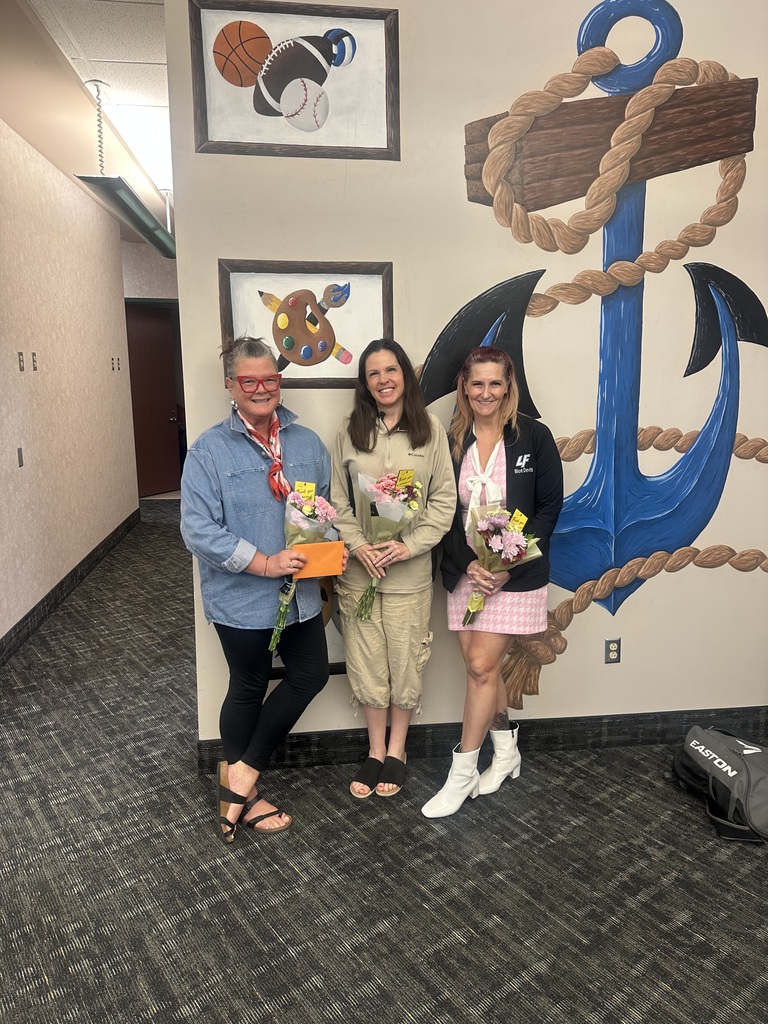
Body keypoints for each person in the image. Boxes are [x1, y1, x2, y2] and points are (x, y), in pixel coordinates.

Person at [181, 336, 344, 843]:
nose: (260, 389)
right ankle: (247, 798)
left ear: (280, 381)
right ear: (230, 385)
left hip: (303, 597)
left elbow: (328, 511)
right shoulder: (208, 450)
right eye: (248, 380)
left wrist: (328, 544)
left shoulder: (308, 444)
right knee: (249, 686)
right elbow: (197, 529)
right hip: (241, 597)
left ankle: (241, 773)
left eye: (269, 379)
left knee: (310, 674)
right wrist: (264, 562)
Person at [421, 346, 563, 818]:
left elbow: (548, 509)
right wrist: (469, 565)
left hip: (514, 575)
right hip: (467, 571)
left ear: (508, 387)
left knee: (482, 666)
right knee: (480, 667)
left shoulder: (534, 438)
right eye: (476, 383)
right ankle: (506, 753)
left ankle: (461, 774)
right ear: (464, 387)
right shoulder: (450, 440)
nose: (485, 393)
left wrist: (507, 564)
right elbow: (445, 512)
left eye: (494, 383)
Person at [331, 339, 456, 799]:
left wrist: (407, 546)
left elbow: (444, 501)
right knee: (365, 664)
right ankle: (374, 749)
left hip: (409, 574)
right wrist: (360, 546)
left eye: (391, 370)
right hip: (359, 573)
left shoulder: (431, 431)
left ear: (405, 374)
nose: (383, 380)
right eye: (373, 374)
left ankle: (397, 751)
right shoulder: (348, 432)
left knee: (405, 663)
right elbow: (337, 502)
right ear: (364, 384)